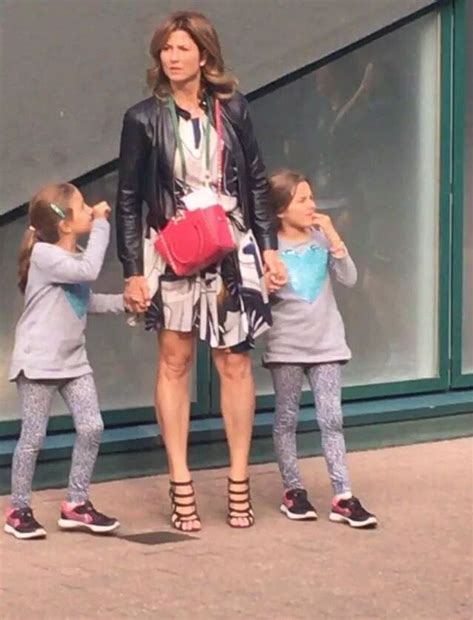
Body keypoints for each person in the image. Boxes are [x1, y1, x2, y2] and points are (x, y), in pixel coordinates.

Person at [116, 11, 286, 531]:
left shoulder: (233, 108)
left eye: (182, 48)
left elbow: (255, 179)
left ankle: (239, 480)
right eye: (166, 49)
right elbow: (128, 198)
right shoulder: (143, 118)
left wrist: (270, 247)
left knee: (235, 362)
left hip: (231, 244)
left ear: (204, 55)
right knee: (174, 360)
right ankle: (180, 480)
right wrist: (131, 270)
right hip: (172, 246)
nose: (172, 57)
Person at [4, 183, 123, 539]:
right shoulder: (44, 255)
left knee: (92, 427)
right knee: (33, 437)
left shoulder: (75, 258)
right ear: (65, 224)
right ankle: (18, 510)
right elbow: (88, 272)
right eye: (83, 207)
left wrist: (127, 303)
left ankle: (76, 503)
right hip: (38, 363)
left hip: (73, 362)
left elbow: (85, 301)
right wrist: (102, 223)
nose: (91, 209)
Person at [263, 169, 377, 528]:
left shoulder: (321, 239)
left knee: (332, 419)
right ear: (281, 210)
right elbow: (257, 296)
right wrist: (267, 282)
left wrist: (334, 237)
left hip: (327, 345)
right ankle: (293, 491)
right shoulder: (269, 248)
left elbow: (349, 278)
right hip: (287, 347)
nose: (312, 205)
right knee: (286, 420)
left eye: (311, 197)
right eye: (302, 199)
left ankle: (343, 495)